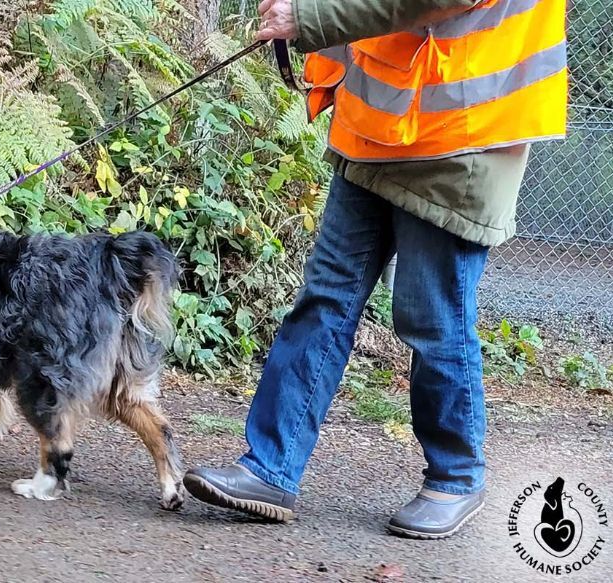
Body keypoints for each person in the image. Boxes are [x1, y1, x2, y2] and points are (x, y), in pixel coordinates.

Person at [184, 0, 568, 539]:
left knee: (433, 319)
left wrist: (311, 18)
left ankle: (456, 477)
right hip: (374, 127)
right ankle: (270, 468)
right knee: (324, 300)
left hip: (460, 136)